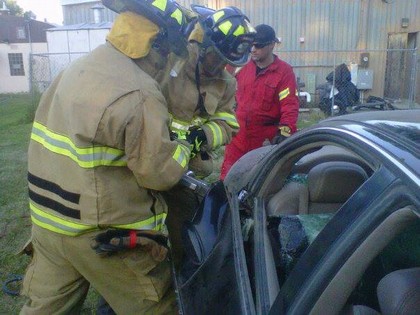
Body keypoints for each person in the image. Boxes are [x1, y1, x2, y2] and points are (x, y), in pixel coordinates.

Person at [20, 0, 199, 313]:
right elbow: (158, 172)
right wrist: (184, 146)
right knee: (159, 308)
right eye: (171, 51)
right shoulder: (139, 91)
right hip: (104, 236)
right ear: (156, 44)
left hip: (48, 226)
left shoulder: (76, 68)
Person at [158, 5, 255, 267]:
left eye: (228, 62)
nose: (222, 66)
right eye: (218, 58)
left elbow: (228, 123)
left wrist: (203, 136)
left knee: (185, 237)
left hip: (186, 172)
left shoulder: (226, 83)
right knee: (141, 237)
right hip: (150, 162)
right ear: (204, 46)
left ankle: (183, 279)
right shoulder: (171, 62)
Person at [220, 24, 300, 180]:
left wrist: (284, 132)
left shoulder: (284, 72)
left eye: (259, 46)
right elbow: (220, 84)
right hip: (238, 137)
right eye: (251, 45)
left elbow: (289, 105)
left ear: (271, 45)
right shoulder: (239, 65)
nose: (253, 49)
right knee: (229, 179)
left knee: (260, 183)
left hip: (264, 141)